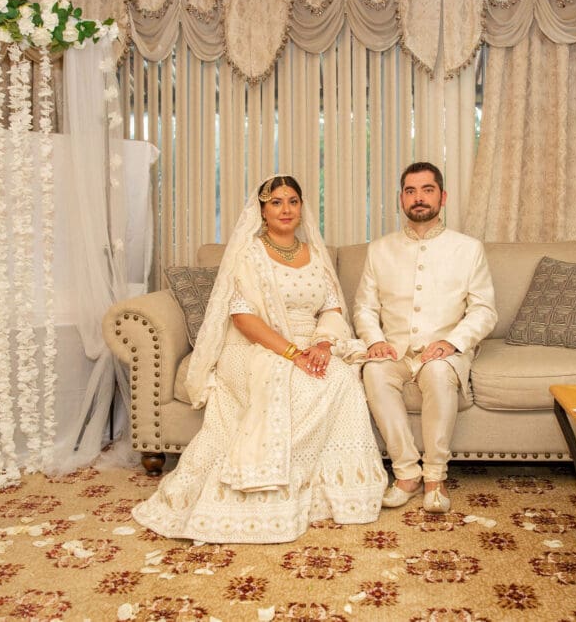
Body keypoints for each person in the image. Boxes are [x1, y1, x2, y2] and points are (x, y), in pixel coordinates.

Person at [132, 175, 386, 543]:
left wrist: (323, 346)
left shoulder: (315, 253)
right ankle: (260, 491)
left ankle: (329, 495)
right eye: (277, 202)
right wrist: (292, 353)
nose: (286, 209)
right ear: (262, 210)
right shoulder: (248, 254)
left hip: (310, 342)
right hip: (253, 346)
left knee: (341, 378)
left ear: (302, 208)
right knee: (292, 383)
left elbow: (331, 308)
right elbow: (243, 317)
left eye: (293, 201)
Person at [353, 162, 497, 513]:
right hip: (396, 350)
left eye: (427, 190)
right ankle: (405, 473)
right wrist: (375, 341)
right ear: (401, 199)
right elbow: (363, 308)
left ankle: (435, 476)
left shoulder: (468, 248)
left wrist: (453, 343)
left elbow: (484, 310)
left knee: (436, 372)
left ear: (442, 197)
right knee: (373, 371)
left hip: (444, 350)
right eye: (411, 191)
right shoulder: (379, 249)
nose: (419, 198)